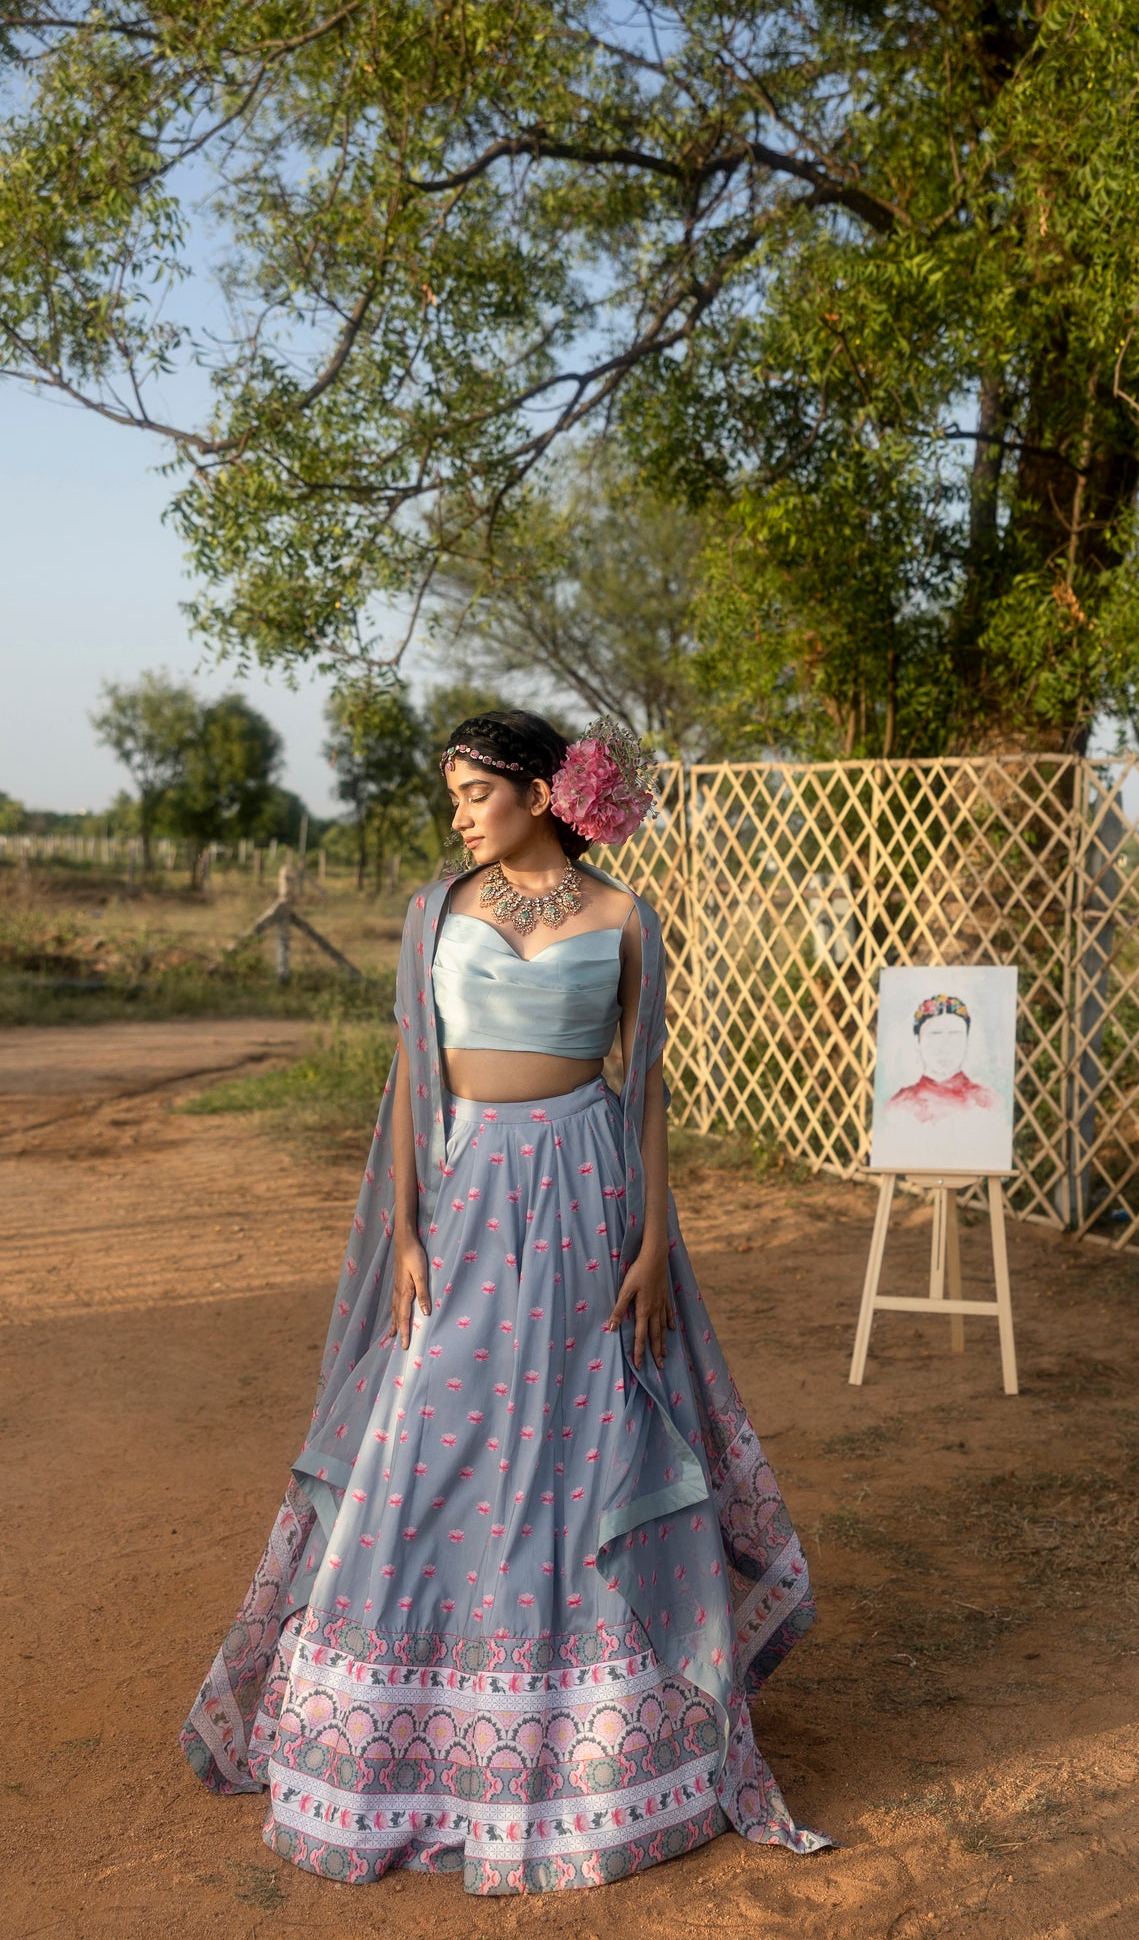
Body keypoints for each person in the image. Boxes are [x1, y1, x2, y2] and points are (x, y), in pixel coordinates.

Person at [179, 709, 828, 1895]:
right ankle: (396, 1738)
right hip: (470, 1187)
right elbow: (409, 1076)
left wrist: (649, 1242)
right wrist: (408, 1229)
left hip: (590, 1191)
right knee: (430, 1427)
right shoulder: (439, 910)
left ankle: (602, 1747)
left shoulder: (627, 915)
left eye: (475, 791)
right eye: (455, 794)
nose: (460, 812)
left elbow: (646, 1091)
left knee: (589, 1436)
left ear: (539, 792)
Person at [888, 992, 998, 1122]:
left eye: (954, 1035)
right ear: (917, 1041)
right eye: (934, 1035)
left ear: (967, 1040)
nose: (944, 1047)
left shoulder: (987, 1102)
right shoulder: (900, 1105)